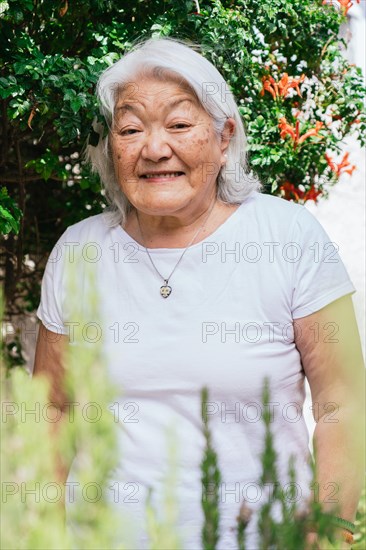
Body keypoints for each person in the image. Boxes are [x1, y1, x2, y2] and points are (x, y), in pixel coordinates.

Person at [33, 36, 365, 549]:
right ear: (112, 146)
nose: (154, 148)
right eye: (130, 128)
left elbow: (343, 400)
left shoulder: (289, 237)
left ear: (223, 136)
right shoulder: (79, 250)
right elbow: (52, 409)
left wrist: (331, 531)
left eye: (180, 124)